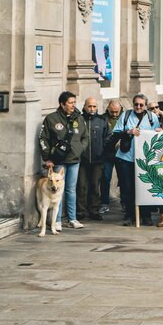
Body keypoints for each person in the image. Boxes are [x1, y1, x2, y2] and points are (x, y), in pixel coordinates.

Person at [38, 91, 90, 231]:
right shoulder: (51, 118)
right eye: (70, 102)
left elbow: (85, 136)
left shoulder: (79, 118)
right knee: (56, 190)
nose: (73, 105)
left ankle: (72, 218)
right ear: (62, 104)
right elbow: (43, 139)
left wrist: (80, 149)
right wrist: (47, 157)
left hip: (74, 159)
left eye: (74, 102)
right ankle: (57, 220)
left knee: (71, 189)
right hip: (58, 160)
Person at [111, 93, 159, 226]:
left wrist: (159, 131)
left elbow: (157, 135)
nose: (138, 107)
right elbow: (115, 133)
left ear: (145, 106)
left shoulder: (152, 117)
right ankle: (129, 215)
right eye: (136, 104)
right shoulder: (125, 116)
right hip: (126, 157)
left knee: (144, 186)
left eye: (141, 105)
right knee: (127, 187)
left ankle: (146, 215)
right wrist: (128, 132)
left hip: (144, 159)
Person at [78, 96, 108, 222]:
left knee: (95, 186)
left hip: (98, 159)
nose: (92, 109)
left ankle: (94, 210)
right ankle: (80, 211)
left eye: (94, 106)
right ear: (84, 106)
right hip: (82, 160)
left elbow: (108, 138)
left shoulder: (102, 120)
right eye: (89, 106)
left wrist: (103, 152)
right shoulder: (79, 120)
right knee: (81, 186)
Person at [98, 99, 123, 215]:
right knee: (105, 178)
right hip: (107, 152)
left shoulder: (124, 117)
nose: (114, 114)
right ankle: (104, 203)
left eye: (116, 112)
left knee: (123, 179)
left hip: (121, 152)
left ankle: (124, 202)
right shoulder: (103, 118)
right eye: (112, 111)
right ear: (108, 108)